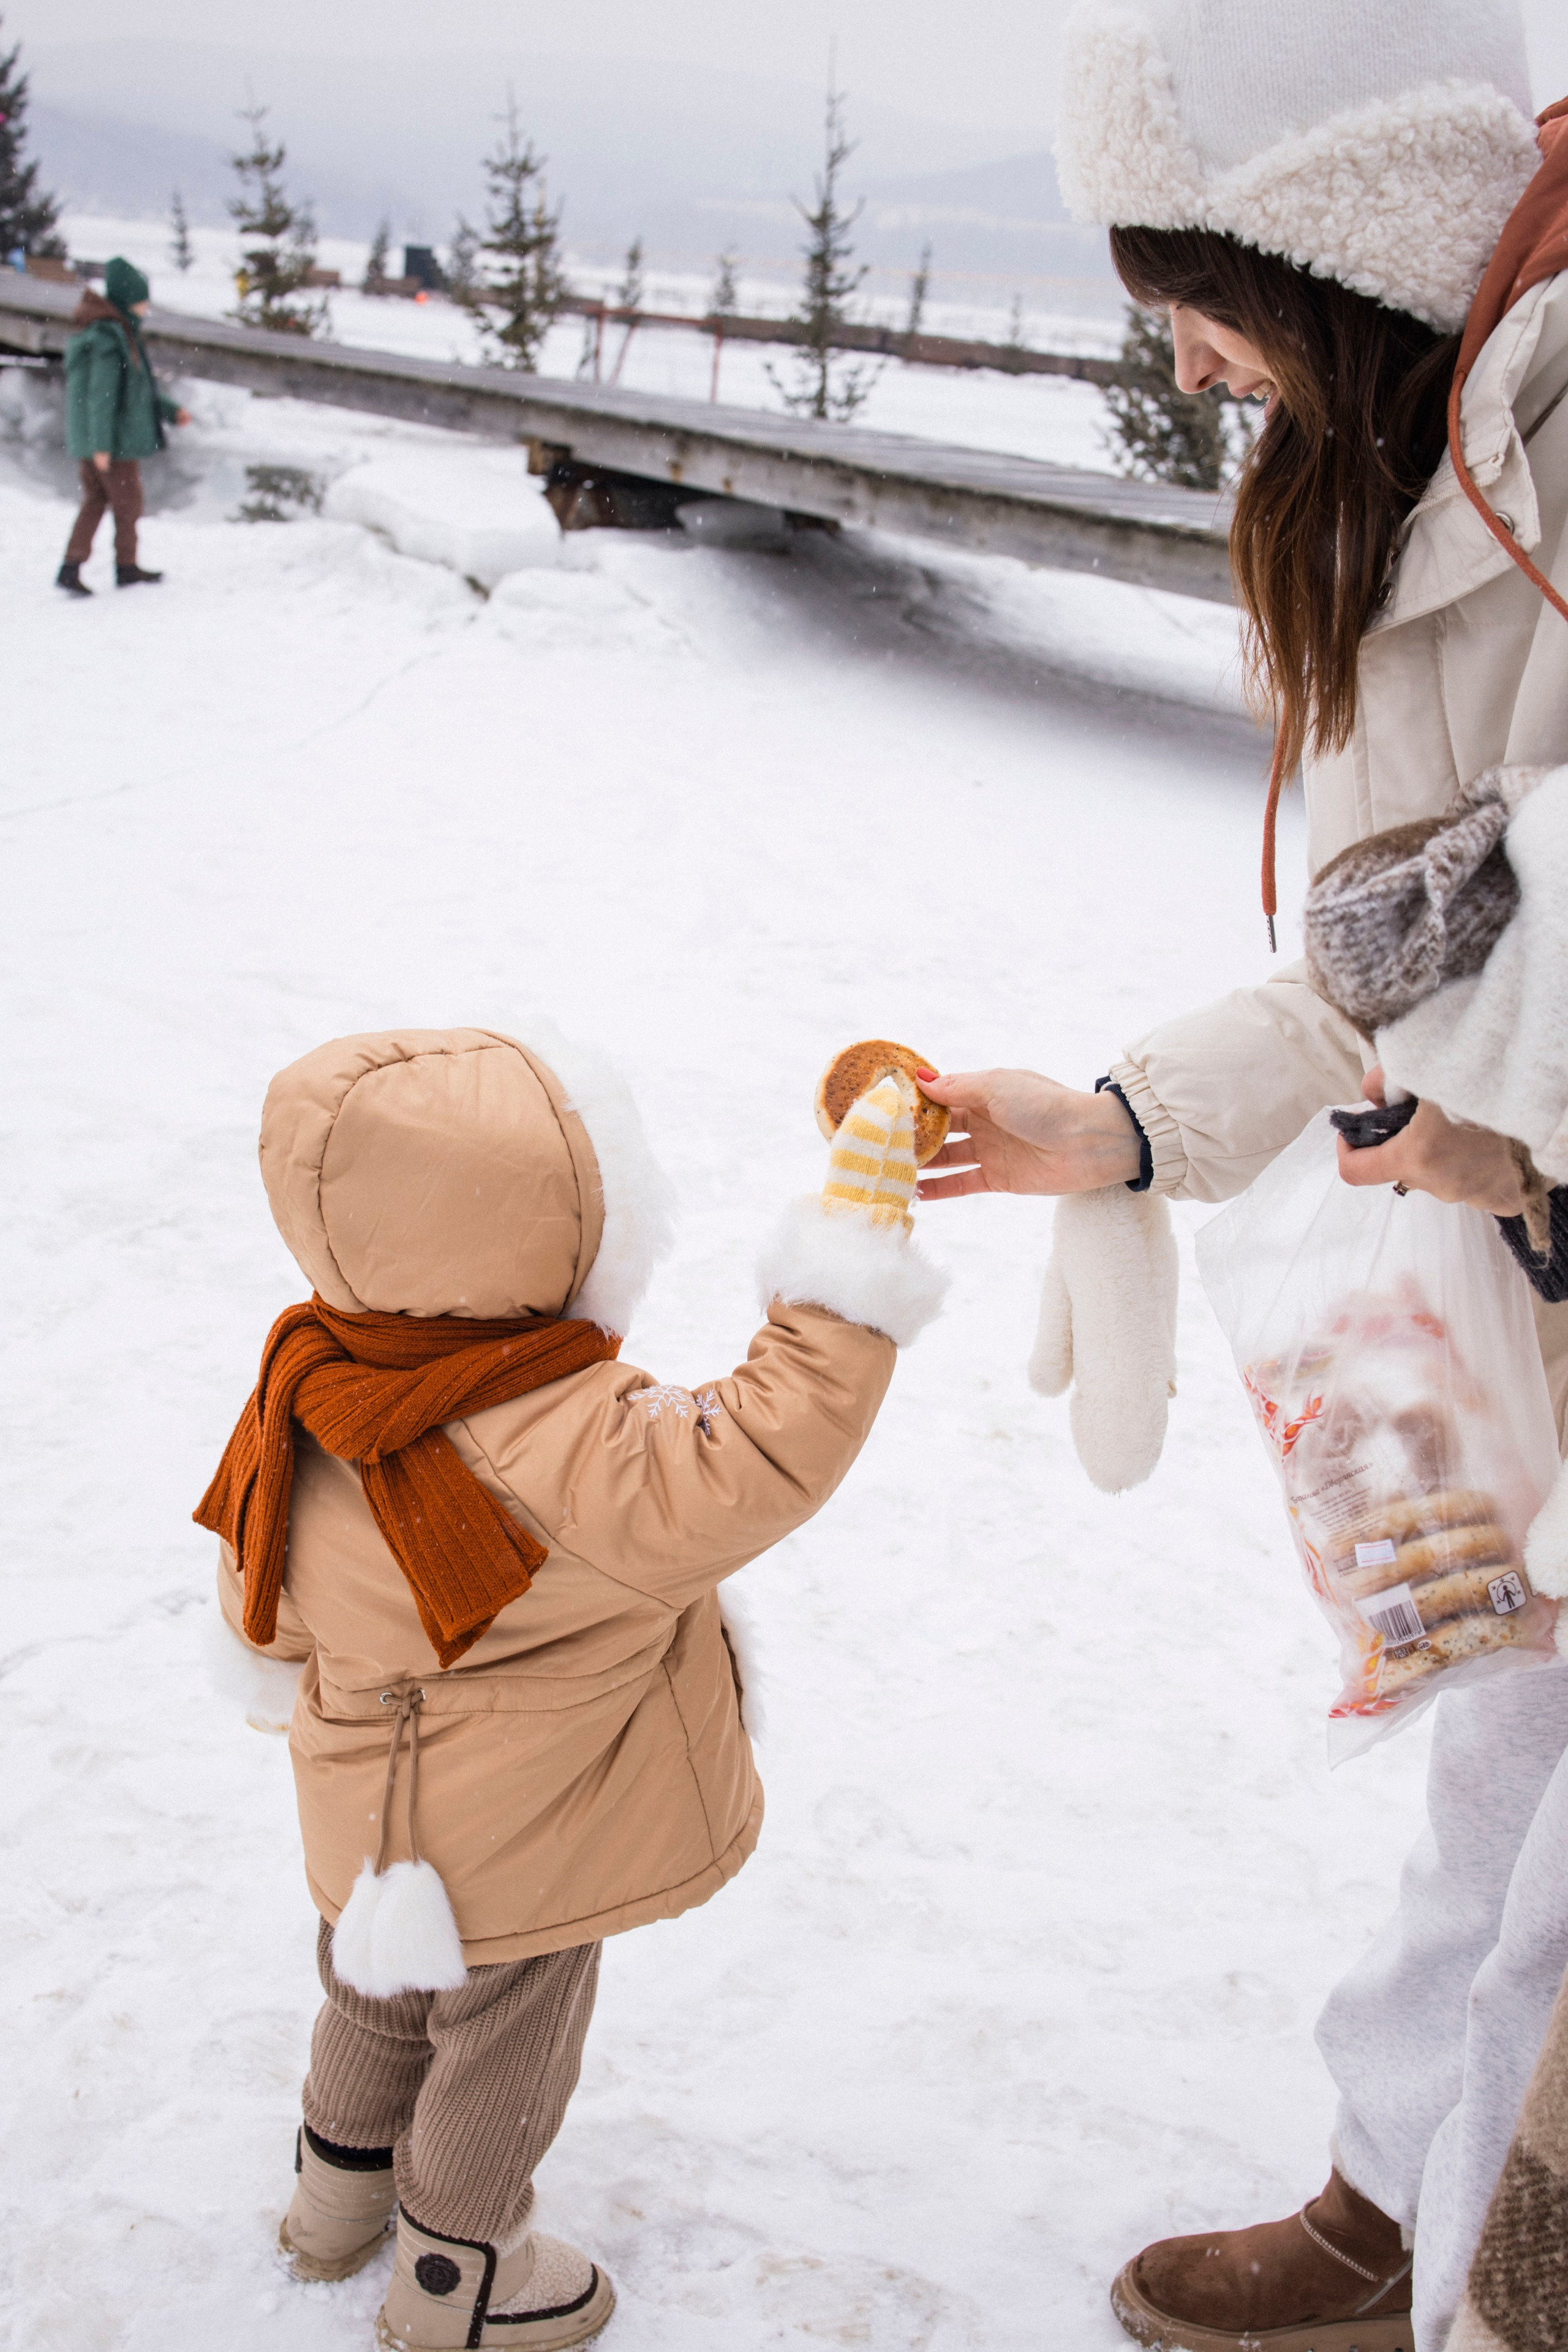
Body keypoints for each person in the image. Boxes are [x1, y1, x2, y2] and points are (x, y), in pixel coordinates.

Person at [917, 6, 1568, 2349]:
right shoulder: (1399, 445)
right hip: (1535, 1275)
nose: (1184, 364)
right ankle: (1392, 2204)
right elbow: (1390, 949)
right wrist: (1118, 1121)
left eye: (1186, 290)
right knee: (1495, 1810)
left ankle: (1490, 2290)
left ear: (1327, 227)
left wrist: (1473, 995)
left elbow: (1484, 930)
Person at [201, 1025, 944, 2350]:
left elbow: (256, 1581)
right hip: (532, 1845)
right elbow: (772, 1436)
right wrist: (854, 1236)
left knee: (368, 1996)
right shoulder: (582, 1442)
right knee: (503, 2042)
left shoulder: (302, 1393)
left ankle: (331, 2206)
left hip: (365, 1826)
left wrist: (265, 1670)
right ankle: (459, 2281)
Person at [56, 255, 189, 596]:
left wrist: (171, 412)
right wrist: (101, 445)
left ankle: (71, 566)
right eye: (142, 301)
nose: (146, 308)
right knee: (129, 504)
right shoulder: (109, 338)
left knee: (96, 501)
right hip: (112, 444)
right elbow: (101, 397)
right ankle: (125, 567)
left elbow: (137, 392)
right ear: (128, 301)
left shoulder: (115, 333)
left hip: (102, 441)